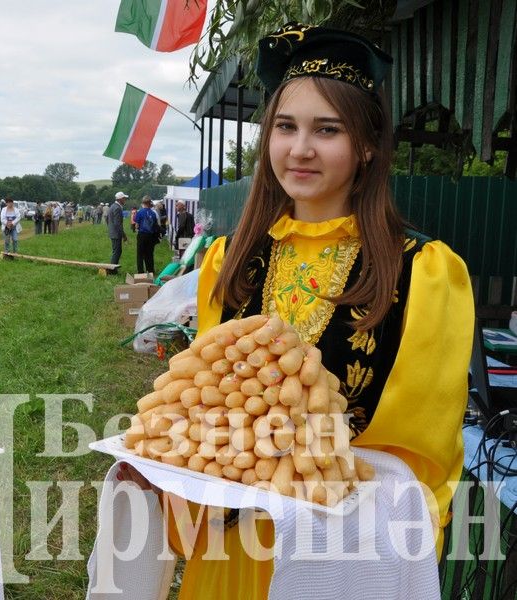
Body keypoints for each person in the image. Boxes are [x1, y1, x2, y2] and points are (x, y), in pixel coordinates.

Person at [118, 23, 473, 599]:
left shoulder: (423, 272)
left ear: (364, 147)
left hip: (341, 551)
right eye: (285, 127)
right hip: (234, 545)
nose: (300, 148)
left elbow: (419, 453)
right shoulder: (229, 260)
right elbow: (210, 399)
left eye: (326, 130)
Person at [134, 196, 160, 274]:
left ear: (143, 203)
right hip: (150, 235)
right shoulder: (153, 213)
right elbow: (155, 225)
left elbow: (137, 225)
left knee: (140, 254)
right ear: (150, 203)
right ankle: (150, 270)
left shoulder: (139, 212)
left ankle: (141, 271)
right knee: (149, 254)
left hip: (142, 235)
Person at [108, 191, 128, 267]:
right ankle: (112, 269)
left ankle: (112, 268)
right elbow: (117, 224)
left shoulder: (112, 206)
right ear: (120, 199)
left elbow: (108, 220)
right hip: (116, 233)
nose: (125, 200)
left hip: (113, 232)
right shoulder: (117, 208)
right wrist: (124, 235)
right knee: (117, 252)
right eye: (124, 198)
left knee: (116, 251)